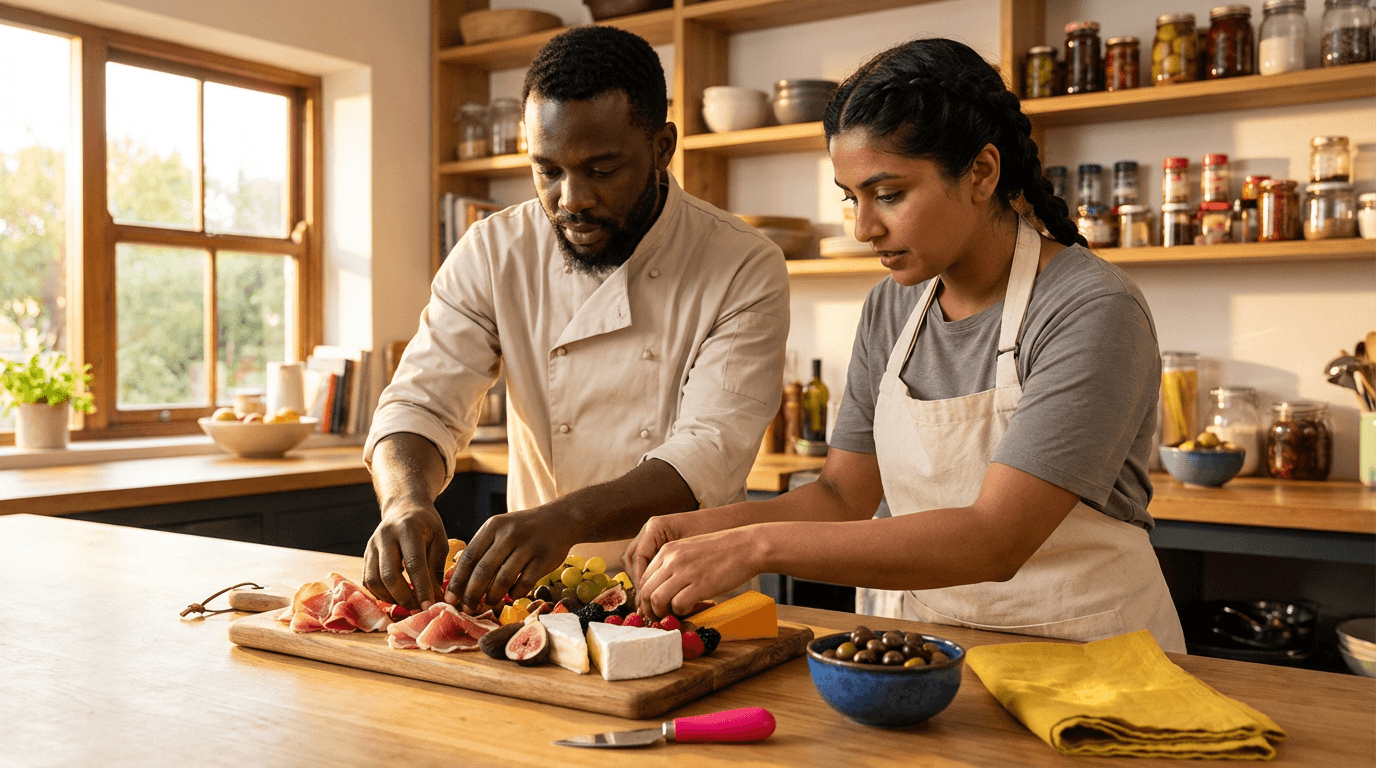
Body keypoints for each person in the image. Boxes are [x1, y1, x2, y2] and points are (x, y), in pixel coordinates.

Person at [627, 38, 1186, 653]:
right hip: (934, 653)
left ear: (981, 173)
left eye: (888, 195)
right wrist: (700, 529)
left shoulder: (1090, 308)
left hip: (1095, 658)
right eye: (852, 199)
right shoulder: (893, 306)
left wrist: (753, 545)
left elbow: (994, 539)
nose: (865, 228)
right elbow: (843, 497)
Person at [362, 26, 789, 614]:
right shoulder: (495, 250)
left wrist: (564, 521)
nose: (571, 198)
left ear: (662, 148)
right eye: (548, 170)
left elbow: (708, 452)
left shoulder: (742, 263)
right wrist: (405, 501)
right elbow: (420, 403)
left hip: (692, 597)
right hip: (541, 598)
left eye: (602, 169)